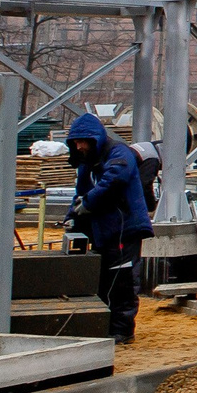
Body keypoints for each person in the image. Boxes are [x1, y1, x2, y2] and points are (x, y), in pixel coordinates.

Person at [66, 113, 153, 343]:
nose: (79, 146)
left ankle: (122, 331)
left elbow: (113, 181)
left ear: (94, 139)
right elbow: (80, 194)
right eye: (76, 143)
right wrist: (71, 217)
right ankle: (105, 327)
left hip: (126, 228)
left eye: (82, 141)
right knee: (104, 280)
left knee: (123, 280)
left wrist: (88, 203)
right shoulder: (87, 164)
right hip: (104, 231)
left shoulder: (119, 153)